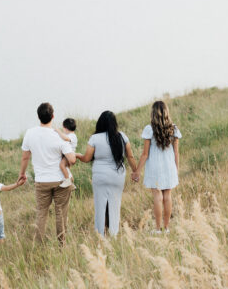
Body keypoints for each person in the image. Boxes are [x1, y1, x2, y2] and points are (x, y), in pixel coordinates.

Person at [19, 102, 76, 245]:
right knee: (61, 213)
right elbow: (71, 159)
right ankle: (62, 245)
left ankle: (38, 244)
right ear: (53, 116)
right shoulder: (58, 136)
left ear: (38, 117)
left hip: (41, 181)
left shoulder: (30, 133)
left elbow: (25, 157)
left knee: (41, 213)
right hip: (60, 181)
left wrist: (22, 174)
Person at [77, 110, 138, 237]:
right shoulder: (122, 136)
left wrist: (78, 156)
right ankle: (113, 234)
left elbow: (87, 158)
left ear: (100, 123)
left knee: (100, 205)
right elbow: (130, 157)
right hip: (117, 177)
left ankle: (101, 234)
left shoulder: (95, 138)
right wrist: (135, 171)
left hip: (100, 176)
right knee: (115, 204)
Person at [132, 100, 181, 233]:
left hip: (155, 166)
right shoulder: (174, 129)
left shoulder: (149, 129)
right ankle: (167, 228)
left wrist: (137, 172)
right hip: (169, 166)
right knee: (167, 196)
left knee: (157, 197)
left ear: (153, 113)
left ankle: (158, 229)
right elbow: (176, 152)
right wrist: (176, 169)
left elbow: (144, 154)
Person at [55, 117, 78, 187]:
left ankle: (67, 180)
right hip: (68, 155)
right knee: (67, 169)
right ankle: (71, 183)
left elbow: (65, 138)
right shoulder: (72, 135)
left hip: (69, 155)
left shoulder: (72, 136)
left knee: (62, 165)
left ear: (65, 128)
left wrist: (58, 131)